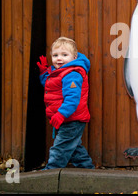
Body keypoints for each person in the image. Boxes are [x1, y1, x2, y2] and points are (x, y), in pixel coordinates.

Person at [37, 36, 95, 170]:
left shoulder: (72, 74)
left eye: (64, 55)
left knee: (61, 147)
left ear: (74, 57)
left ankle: (51, 172)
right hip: (65, 118)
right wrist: (45, 72)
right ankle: (87, 170)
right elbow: (52, 87)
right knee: (74, 148)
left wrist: (60, 115)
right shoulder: (60, 72)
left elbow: (72, 99)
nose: (59, 58)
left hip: (72, 119)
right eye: (55, 55)